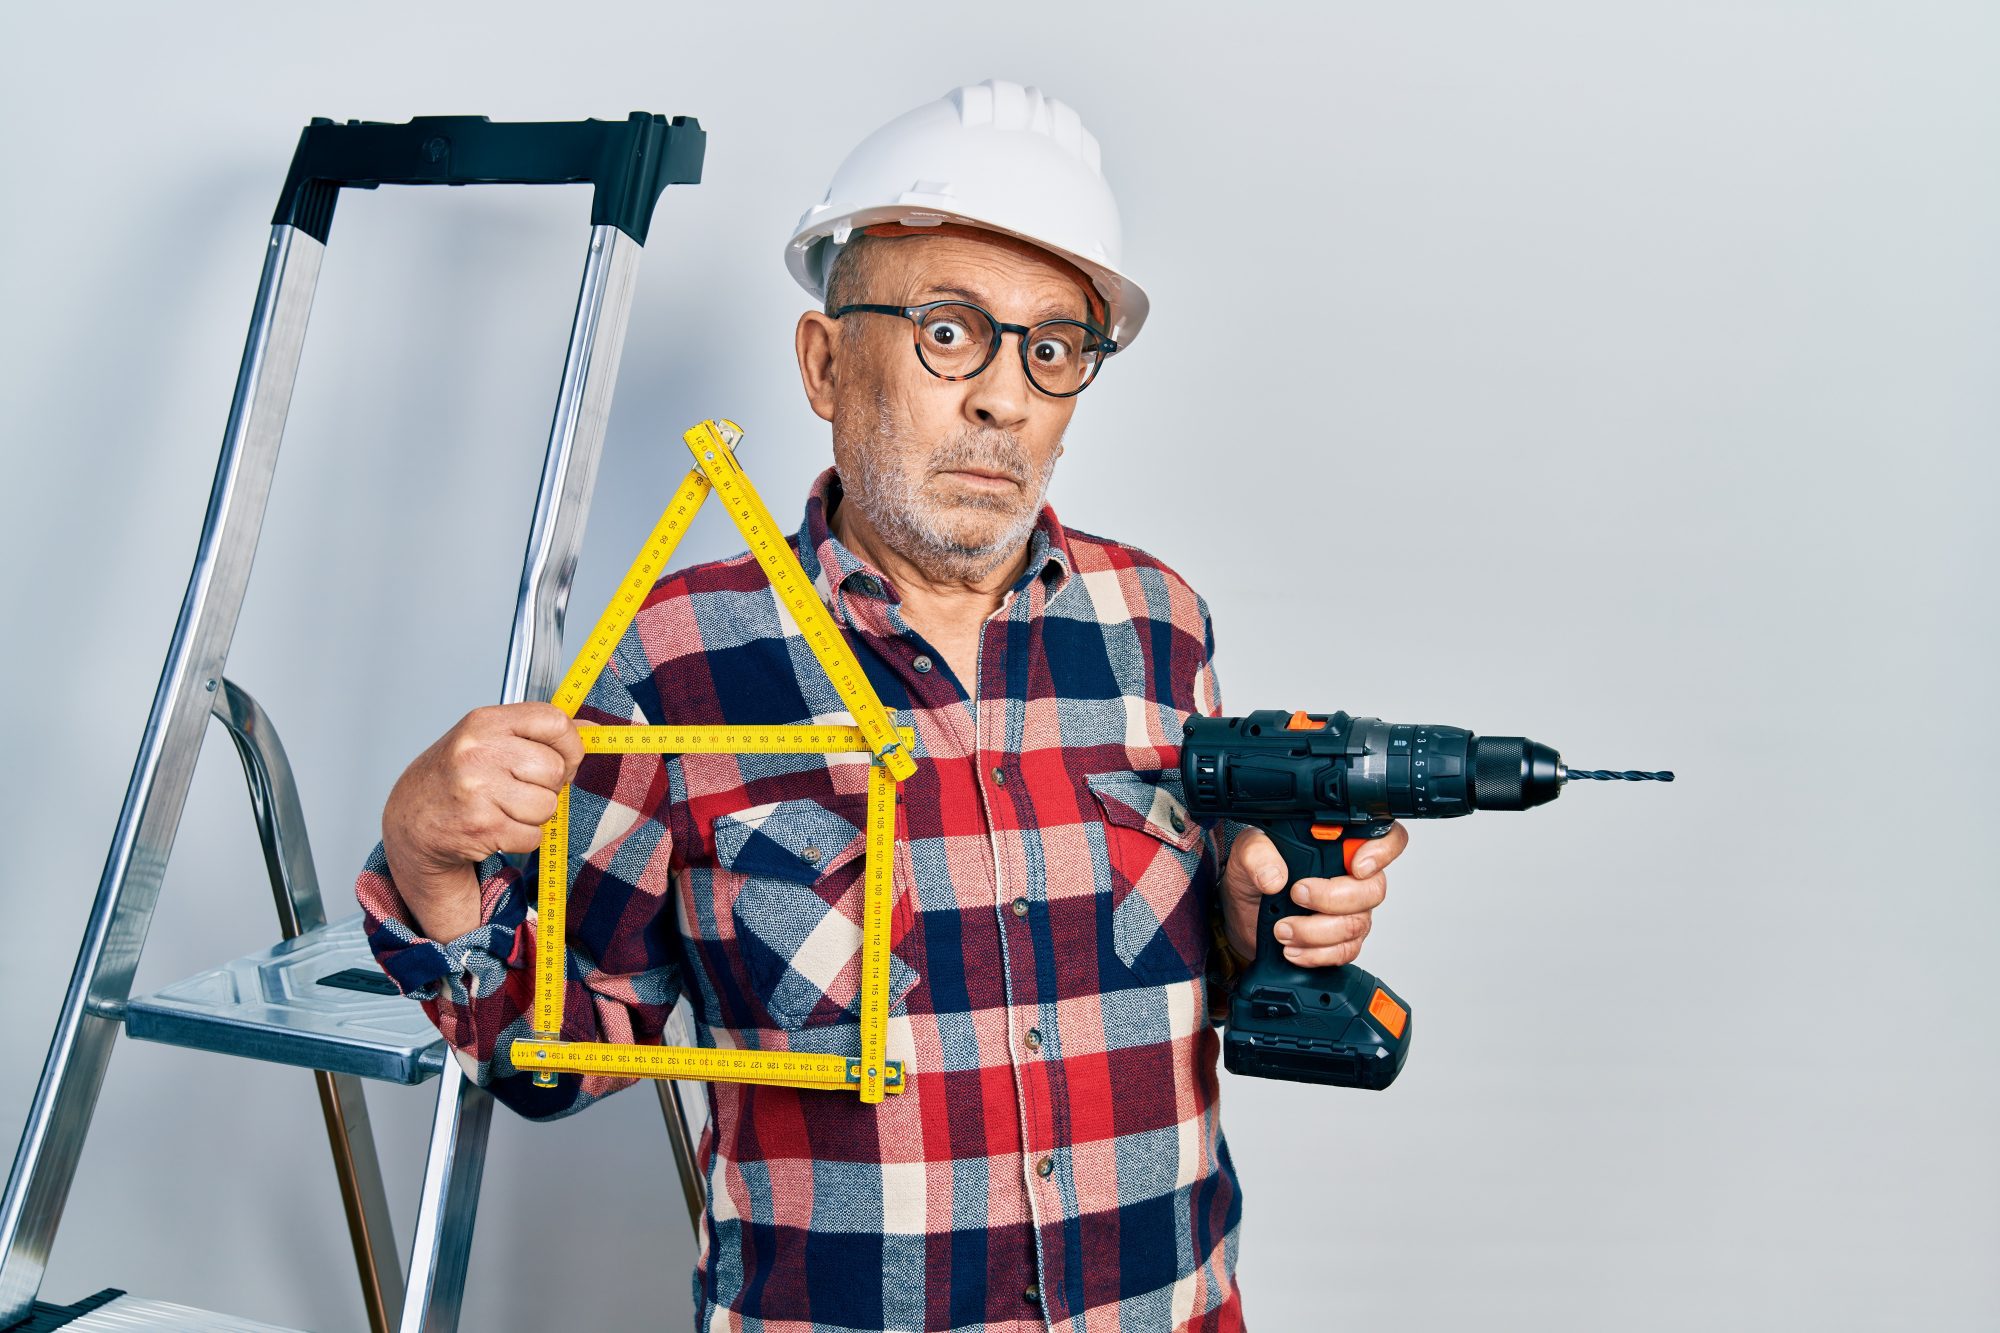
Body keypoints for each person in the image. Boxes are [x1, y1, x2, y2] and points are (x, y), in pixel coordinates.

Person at [358, 79, 1408, 1332]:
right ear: (822, 362)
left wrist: (1251, 926)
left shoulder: (1157, 626)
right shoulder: (678, 658)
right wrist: (427, 860)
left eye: (1051, 349)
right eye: (948, 332)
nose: (1002, 399)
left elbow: (1188, 986)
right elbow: (559, 1054)